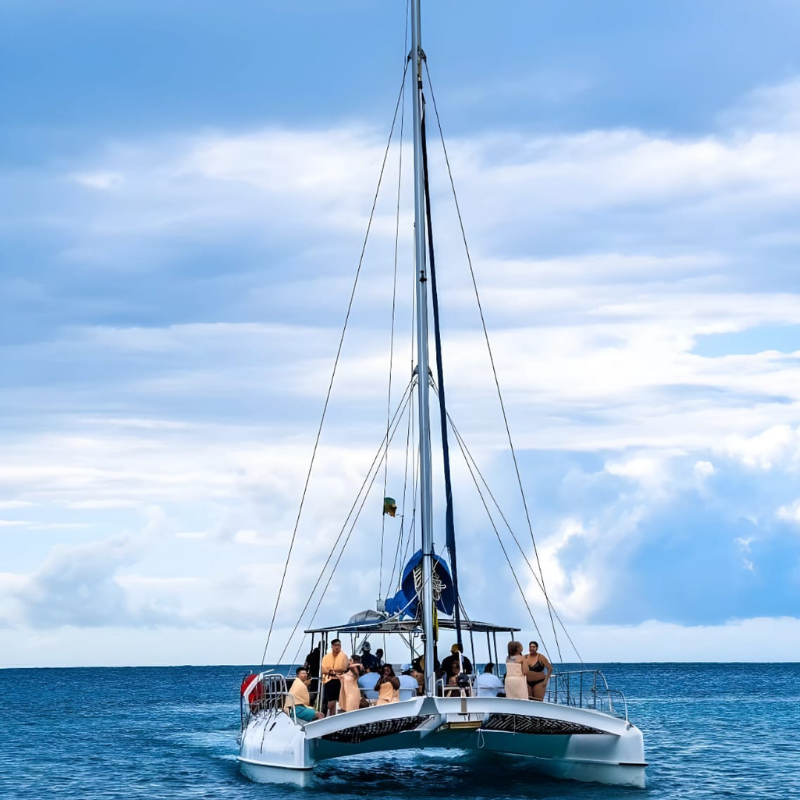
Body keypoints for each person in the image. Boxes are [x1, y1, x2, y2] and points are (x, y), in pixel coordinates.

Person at [321, 638, 349, 716]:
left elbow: (344, 668)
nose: (337, 647)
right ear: (332, 646)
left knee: (340, 701)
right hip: (329, 680)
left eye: (339, 645)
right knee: (328, 701)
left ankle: (337, 717)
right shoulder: (326, 657)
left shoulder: (344, 656)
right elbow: (323, 669)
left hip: (340, 680)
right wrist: (331, 671)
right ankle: (328, 716)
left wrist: (333, 670)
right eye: (335, 645)